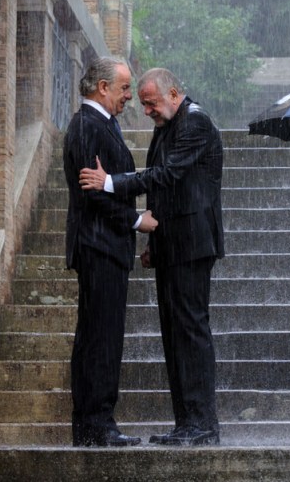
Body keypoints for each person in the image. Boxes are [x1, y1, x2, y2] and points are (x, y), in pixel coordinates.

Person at [78, 68, 224, 446]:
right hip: (172, 246)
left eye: (151, 103)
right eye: (142, 103)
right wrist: (153, 246)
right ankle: (186, 423)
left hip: (193, 246)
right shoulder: (168, 124)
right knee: (174, 336)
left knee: (191, 332)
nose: (146, 111)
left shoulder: (196, 123)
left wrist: (110, 182)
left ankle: (203, 424)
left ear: (173, 93)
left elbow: (166, 176)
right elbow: (165, 195)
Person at [63, 56, 158, 447]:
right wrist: (137, 222)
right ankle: (97, 424)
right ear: (102, 87)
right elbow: (93, 192)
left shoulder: (100, 124)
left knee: (98, 336)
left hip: (104, 248)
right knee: (100, 338)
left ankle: (92, 424)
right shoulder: (88, 124)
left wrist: (121, 183)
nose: (127, 98)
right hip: (98, 246)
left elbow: (106, 184)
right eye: (123, 89)